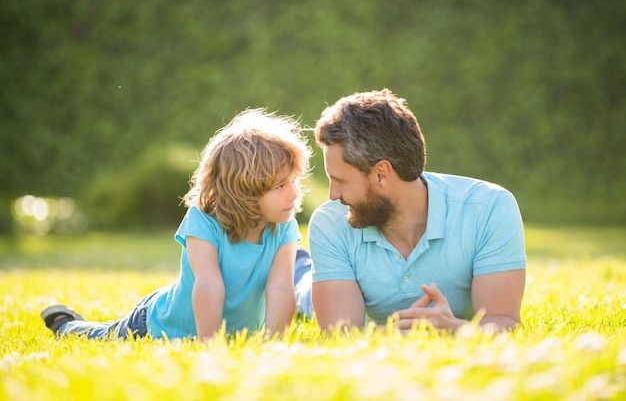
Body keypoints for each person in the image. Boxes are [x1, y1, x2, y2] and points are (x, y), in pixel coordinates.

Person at [41, 108, 312, 341]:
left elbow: (281, 287)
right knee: (104, 336)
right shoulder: (204, 221)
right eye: (280, 185)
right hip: (161, 325)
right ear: (245, 189)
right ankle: (66, 324)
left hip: (231, 332)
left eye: (294, 182)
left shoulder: (283, 226)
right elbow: (208, 284)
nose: (294, 194)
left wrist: (271, 344)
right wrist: (210, 348)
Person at [308, 89, 526, 333]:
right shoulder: (331, 222)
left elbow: (505, 323)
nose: (333, 195)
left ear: (382, 174)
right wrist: (402, 333)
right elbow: (340, 335)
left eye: (340, 181)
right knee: (304, 293)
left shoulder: (489, 208)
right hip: (316, 287)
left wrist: (455, 329)